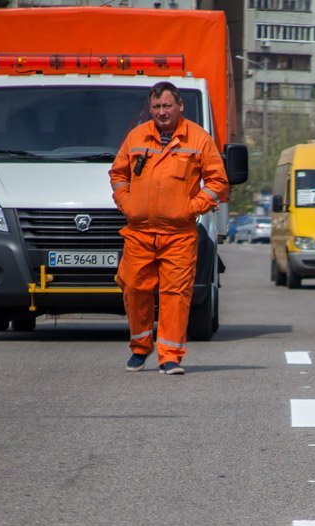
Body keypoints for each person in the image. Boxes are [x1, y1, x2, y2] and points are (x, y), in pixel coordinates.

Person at [109, 81, 229, 375]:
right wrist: (127, 203)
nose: (162, 112)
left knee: (175, 295)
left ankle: (170, 356)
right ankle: (140, 347)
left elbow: (218, 183)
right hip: (139, 232)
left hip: (179, 234)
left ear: (179, 106)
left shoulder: (199, 139)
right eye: (156, 107)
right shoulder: (136, 136)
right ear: (150, 108)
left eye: (167, 106)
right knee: (134, 288)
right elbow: (118, 174)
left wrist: (192, 207)